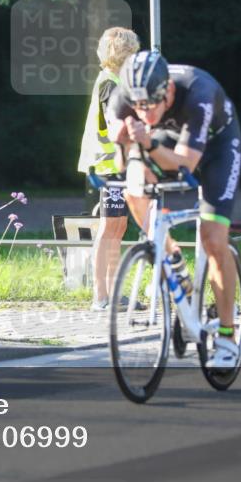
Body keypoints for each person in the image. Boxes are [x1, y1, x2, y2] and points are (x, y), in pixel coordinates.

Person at [106, 49, 241, 368]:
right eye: (138, 106)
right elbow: (121, 163)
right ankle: (174, 262)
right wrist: (123, 144)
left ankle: (227, 336)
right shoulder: (121, 99)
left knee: (212, 238)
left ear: (167, 92)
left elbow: (186, 165)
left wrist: (148, 143)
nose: (144, 113)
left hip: (216, 146)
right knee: (134, 188)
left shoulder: (199, 93)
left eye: (150, 105)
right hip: (168, 138)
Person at [77, 27, 140, 310]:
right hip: (108, 164)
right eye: (132, 52)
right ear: (123, 54)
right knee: (109, 227)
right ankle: (100, 295)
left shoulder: (115, 81)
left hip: (117, 163)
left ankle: (113, 293)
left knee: (118, 226)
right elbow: (114, 122)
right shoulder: (109, 83)